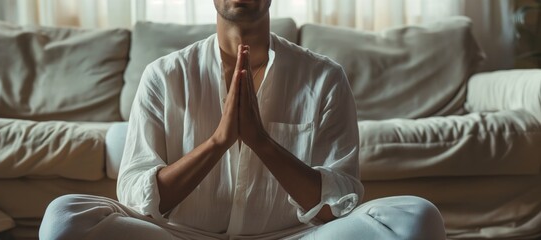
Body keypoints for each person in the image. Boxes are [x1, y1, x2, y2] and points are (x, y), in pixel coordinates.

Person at [39, 0, 446, 239]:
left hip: (294, 237)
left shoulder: (324, 78)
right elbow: (136, 203)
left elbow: (337, 209)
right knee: (64, 218)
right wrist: (218, 141)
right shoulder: (164, 76)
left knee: (416, 217)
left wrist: (261, 143)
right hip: (181, 237)